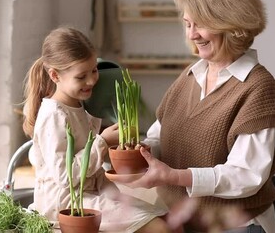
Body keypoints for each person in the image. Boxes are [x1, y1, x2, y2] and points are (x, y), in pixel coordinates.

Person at [124, 0, 275, 232]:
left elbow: (245, 175)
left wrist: (174, 176)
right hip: (186, 222)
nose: (192, 35)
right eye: (187, 24)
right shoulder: (190, 76)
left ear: (231, 25)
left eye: (200, 24)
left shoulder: (257, 87)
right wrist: (130, 151)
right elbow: (159, 138)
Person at [21, 26, 170, 233]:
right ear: (55, 76)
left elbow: (92, 160)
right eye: (81, 77)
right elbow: (66, 177)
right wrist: (102, 141)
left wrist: (125, 147)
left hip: (94, 193)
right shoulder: (54, 115)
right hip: (65, 204)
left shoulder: (80, 104)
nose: (91, 80)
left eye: (94, 70)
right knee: (158, 228)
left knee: (166, 217)